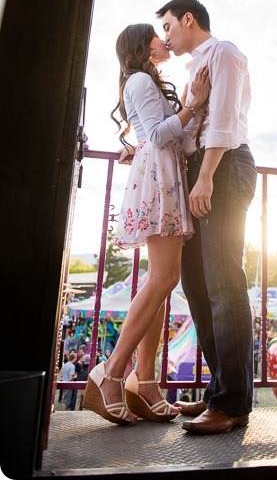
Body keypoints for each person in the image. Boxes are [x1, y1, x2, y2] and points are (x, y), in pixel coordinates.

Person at [83, 22, 210, 425]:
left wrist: (190, 103)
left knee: (162, 279)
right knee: (163, 277)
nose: (164, 39)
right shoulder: (139, 79)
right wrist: (193, 105)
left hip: (162, 172)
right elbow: (158, 133)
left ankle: (146, 380)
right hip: (158, 177)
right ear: (143, 45)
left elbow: (160, 133)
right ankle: (113, 371)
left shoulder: (144, 81)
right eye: (158, 34)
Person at [156, 0, 257, 435]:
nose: (166, 36)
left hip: (225, 166)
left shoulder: (225, 53)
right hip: (204, 169)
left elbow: (224, 121)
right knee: (196, 285)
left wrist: (206, 177)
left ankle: (232, 403)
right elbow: (195, 124)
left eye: (168, 27)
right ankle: (221, 388)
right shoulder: (195, 69)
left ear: (188, 19)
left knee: (222, 280)